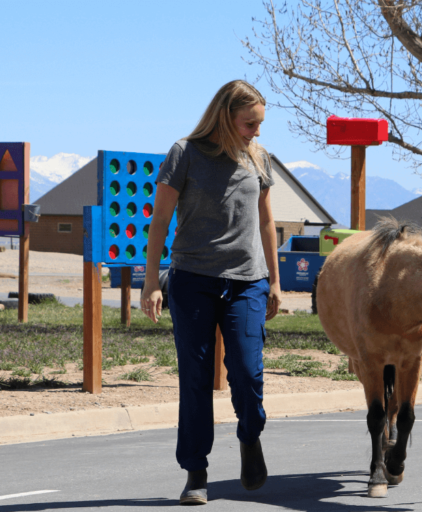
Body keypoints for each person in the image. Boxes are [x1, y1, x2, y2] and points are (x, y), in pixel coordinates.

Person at [141, 80, 281, 505]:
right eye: (249, 123)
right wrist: (151, 282)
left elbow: (266, 223)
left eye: (259, 124)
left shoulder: (259, 158)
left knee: (247, 372)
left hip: (247, 283)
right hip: (192, 280)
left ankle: (250, 436)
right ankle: (196, 472)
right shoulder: (184, 153)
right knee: (196, 379)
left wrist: (274, 280)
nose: (256, 131)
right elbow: (160, 221)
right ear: (225, 116)